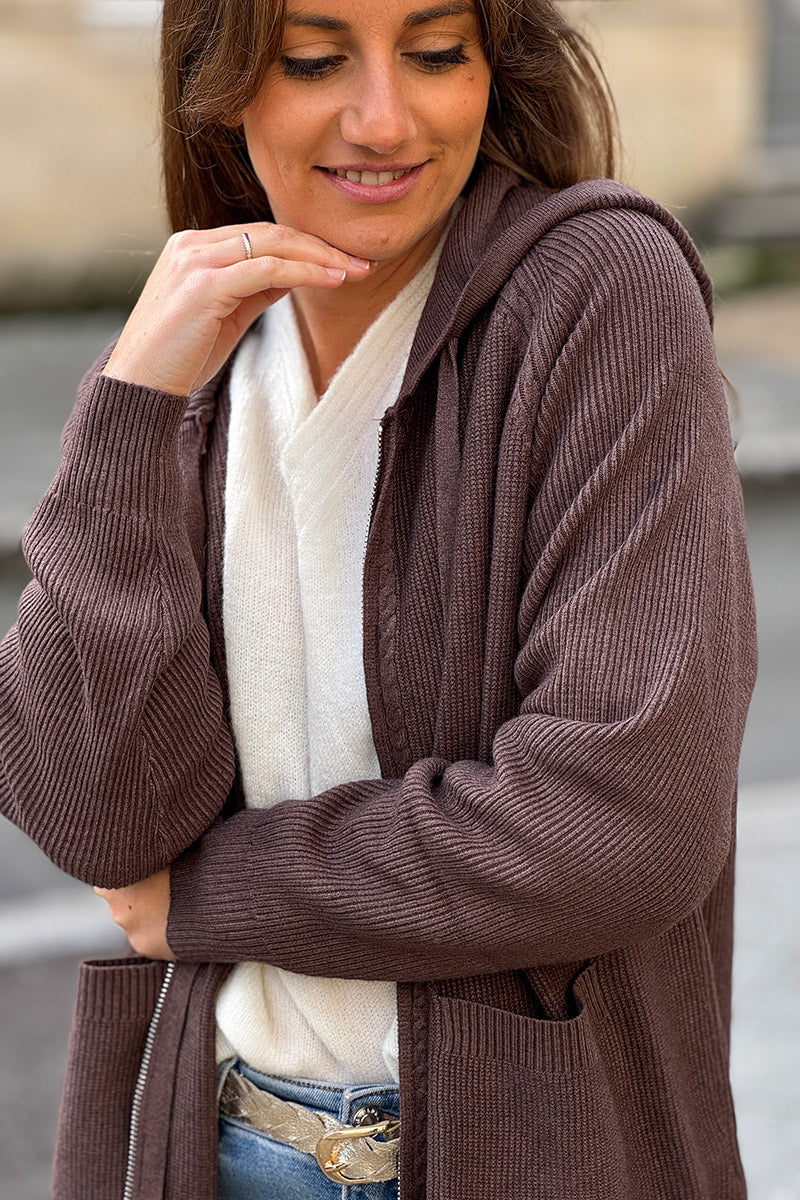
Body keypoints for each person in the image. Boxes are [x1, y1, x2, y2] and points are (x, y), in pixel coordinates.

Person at [0, 0, 757, 1196]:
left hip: (520, 1149)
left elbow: (619, 822)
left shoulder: (596, 291)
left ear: (491, 69)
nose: (384, 118)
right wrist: (127, 414)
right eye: (314, 60)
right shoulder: (191, 362)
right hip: (219, 1146)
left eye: (434, 52)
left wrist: (208, 894)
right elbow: (100, 819)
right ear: (222, 81)